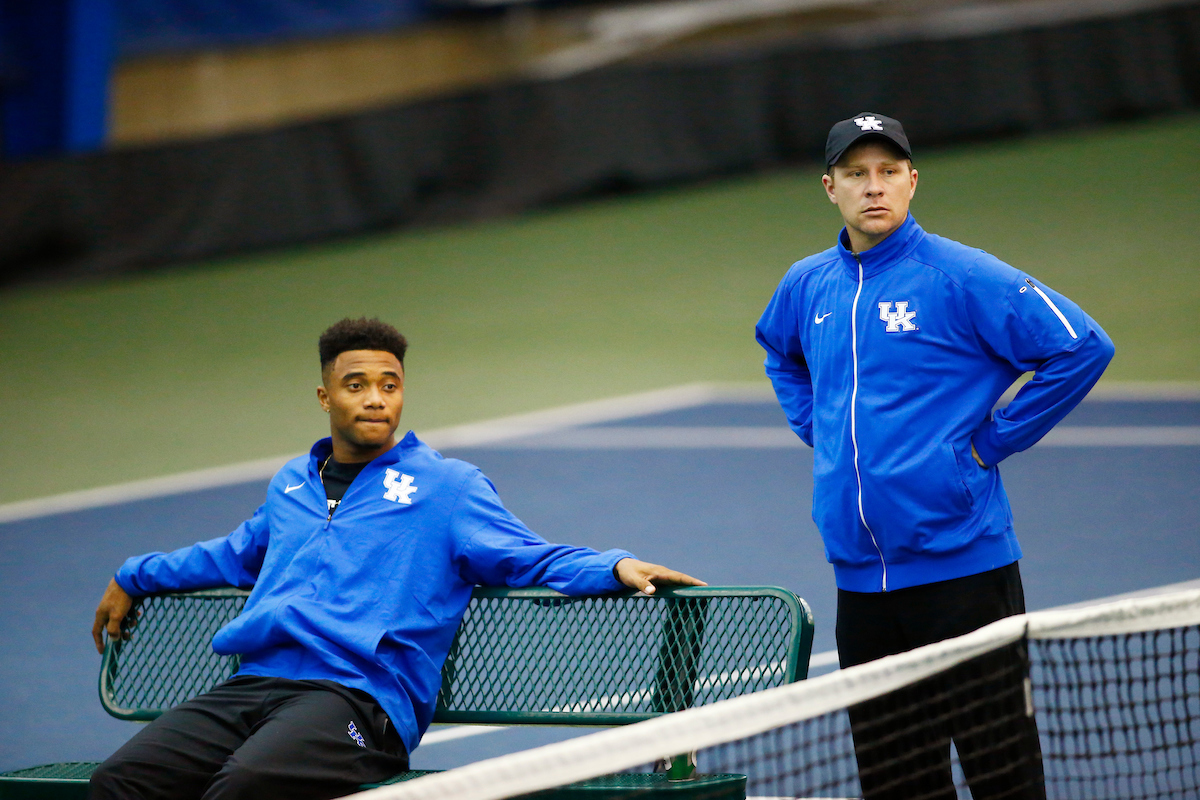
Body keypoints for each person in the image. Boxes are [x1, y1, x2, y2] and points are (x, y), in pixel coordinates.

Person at [89, 317, 704, 800]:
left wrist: (614, 565)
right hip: (253, 685)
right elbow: (231, 555)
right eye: (357, 386)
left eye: (390, 385)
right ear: (325, 396)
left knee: (243, 789)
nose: (377, 399)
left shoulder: (446, 487)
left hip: (358, 703)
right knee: (121, 783)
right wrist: (131, 575)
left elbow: (526, 557)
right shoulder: (291, 486)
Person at [755, 113, 1114, 799]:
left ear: (913, 181)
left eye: (889, 172)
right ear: (829, 187)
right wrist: (817, 426)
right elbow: (780, 349)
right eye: (857, 174)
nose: (874, 187)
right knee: (898, 785)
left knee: (1002, 776)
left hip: (965, 575)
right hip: (861, 584)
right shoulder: (807, 284)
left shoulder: (958, 275)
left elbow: (1081, 346)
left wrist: (989, 444)